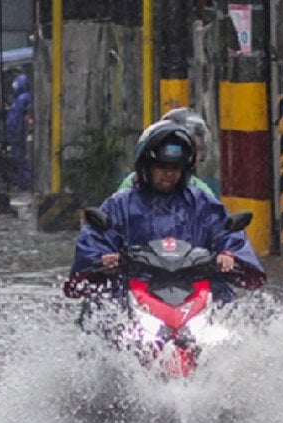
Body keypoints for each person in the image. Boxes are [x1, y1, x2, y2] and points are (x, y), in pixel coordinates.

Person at [69, 124, 265, 303]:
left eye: (175, 168)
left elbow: (227, 232)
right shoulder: (120, 204)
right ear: (147, 166)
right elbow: (95, 241)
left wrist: (228, 254)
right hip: (133, 293)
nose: (169, 174)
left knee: (229, 318)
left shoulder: (202, 203)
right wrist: (105, 258)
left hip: (196, 291)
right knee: (103, 312)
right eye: (162, 167)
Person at [118, 107, 215, 195]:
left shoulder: (201, 193)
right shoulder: (132, 186)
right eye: (162, 166)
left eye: (197, 149)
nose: (169, 174)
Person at [6, 74, 33, 190]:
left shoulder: (22, 100)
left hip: (19, 136)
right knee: (20, 161)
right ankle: (23, 182)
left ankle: (25, 183)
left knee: (22, 160)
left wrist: (15, 133)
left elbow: (16, 119)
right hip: (18, 135)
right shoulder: (22, 99)